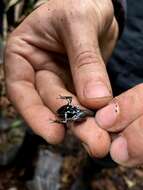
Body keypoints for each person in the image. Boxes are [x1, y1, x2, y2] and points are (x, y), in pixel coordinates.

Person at [4, 0, 143, 167]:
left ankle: (94, 168)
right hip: (105, 42)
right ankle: (28, 150)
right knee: (49, 108)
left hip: (132, 84)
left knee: (111, 138)